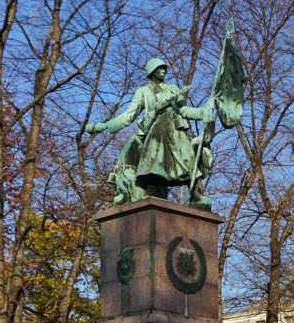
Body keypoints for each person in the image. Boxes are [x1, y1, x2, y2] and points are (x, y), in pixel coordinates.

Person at [85, 57, 214, 209]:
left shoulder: (173, 89)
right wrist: (105, 125)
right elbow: (129, 116)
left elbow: (183, 110)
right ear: (151, 71)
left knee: (188, 159)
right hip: (156, 129)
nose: (163, 71)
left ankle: (195, 194)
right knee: (154, 161)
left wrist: (202, 112)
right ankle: (152, 191)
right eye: (159, 68)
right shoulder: (143, 91)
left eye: (164, 68)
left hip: (175, 129)